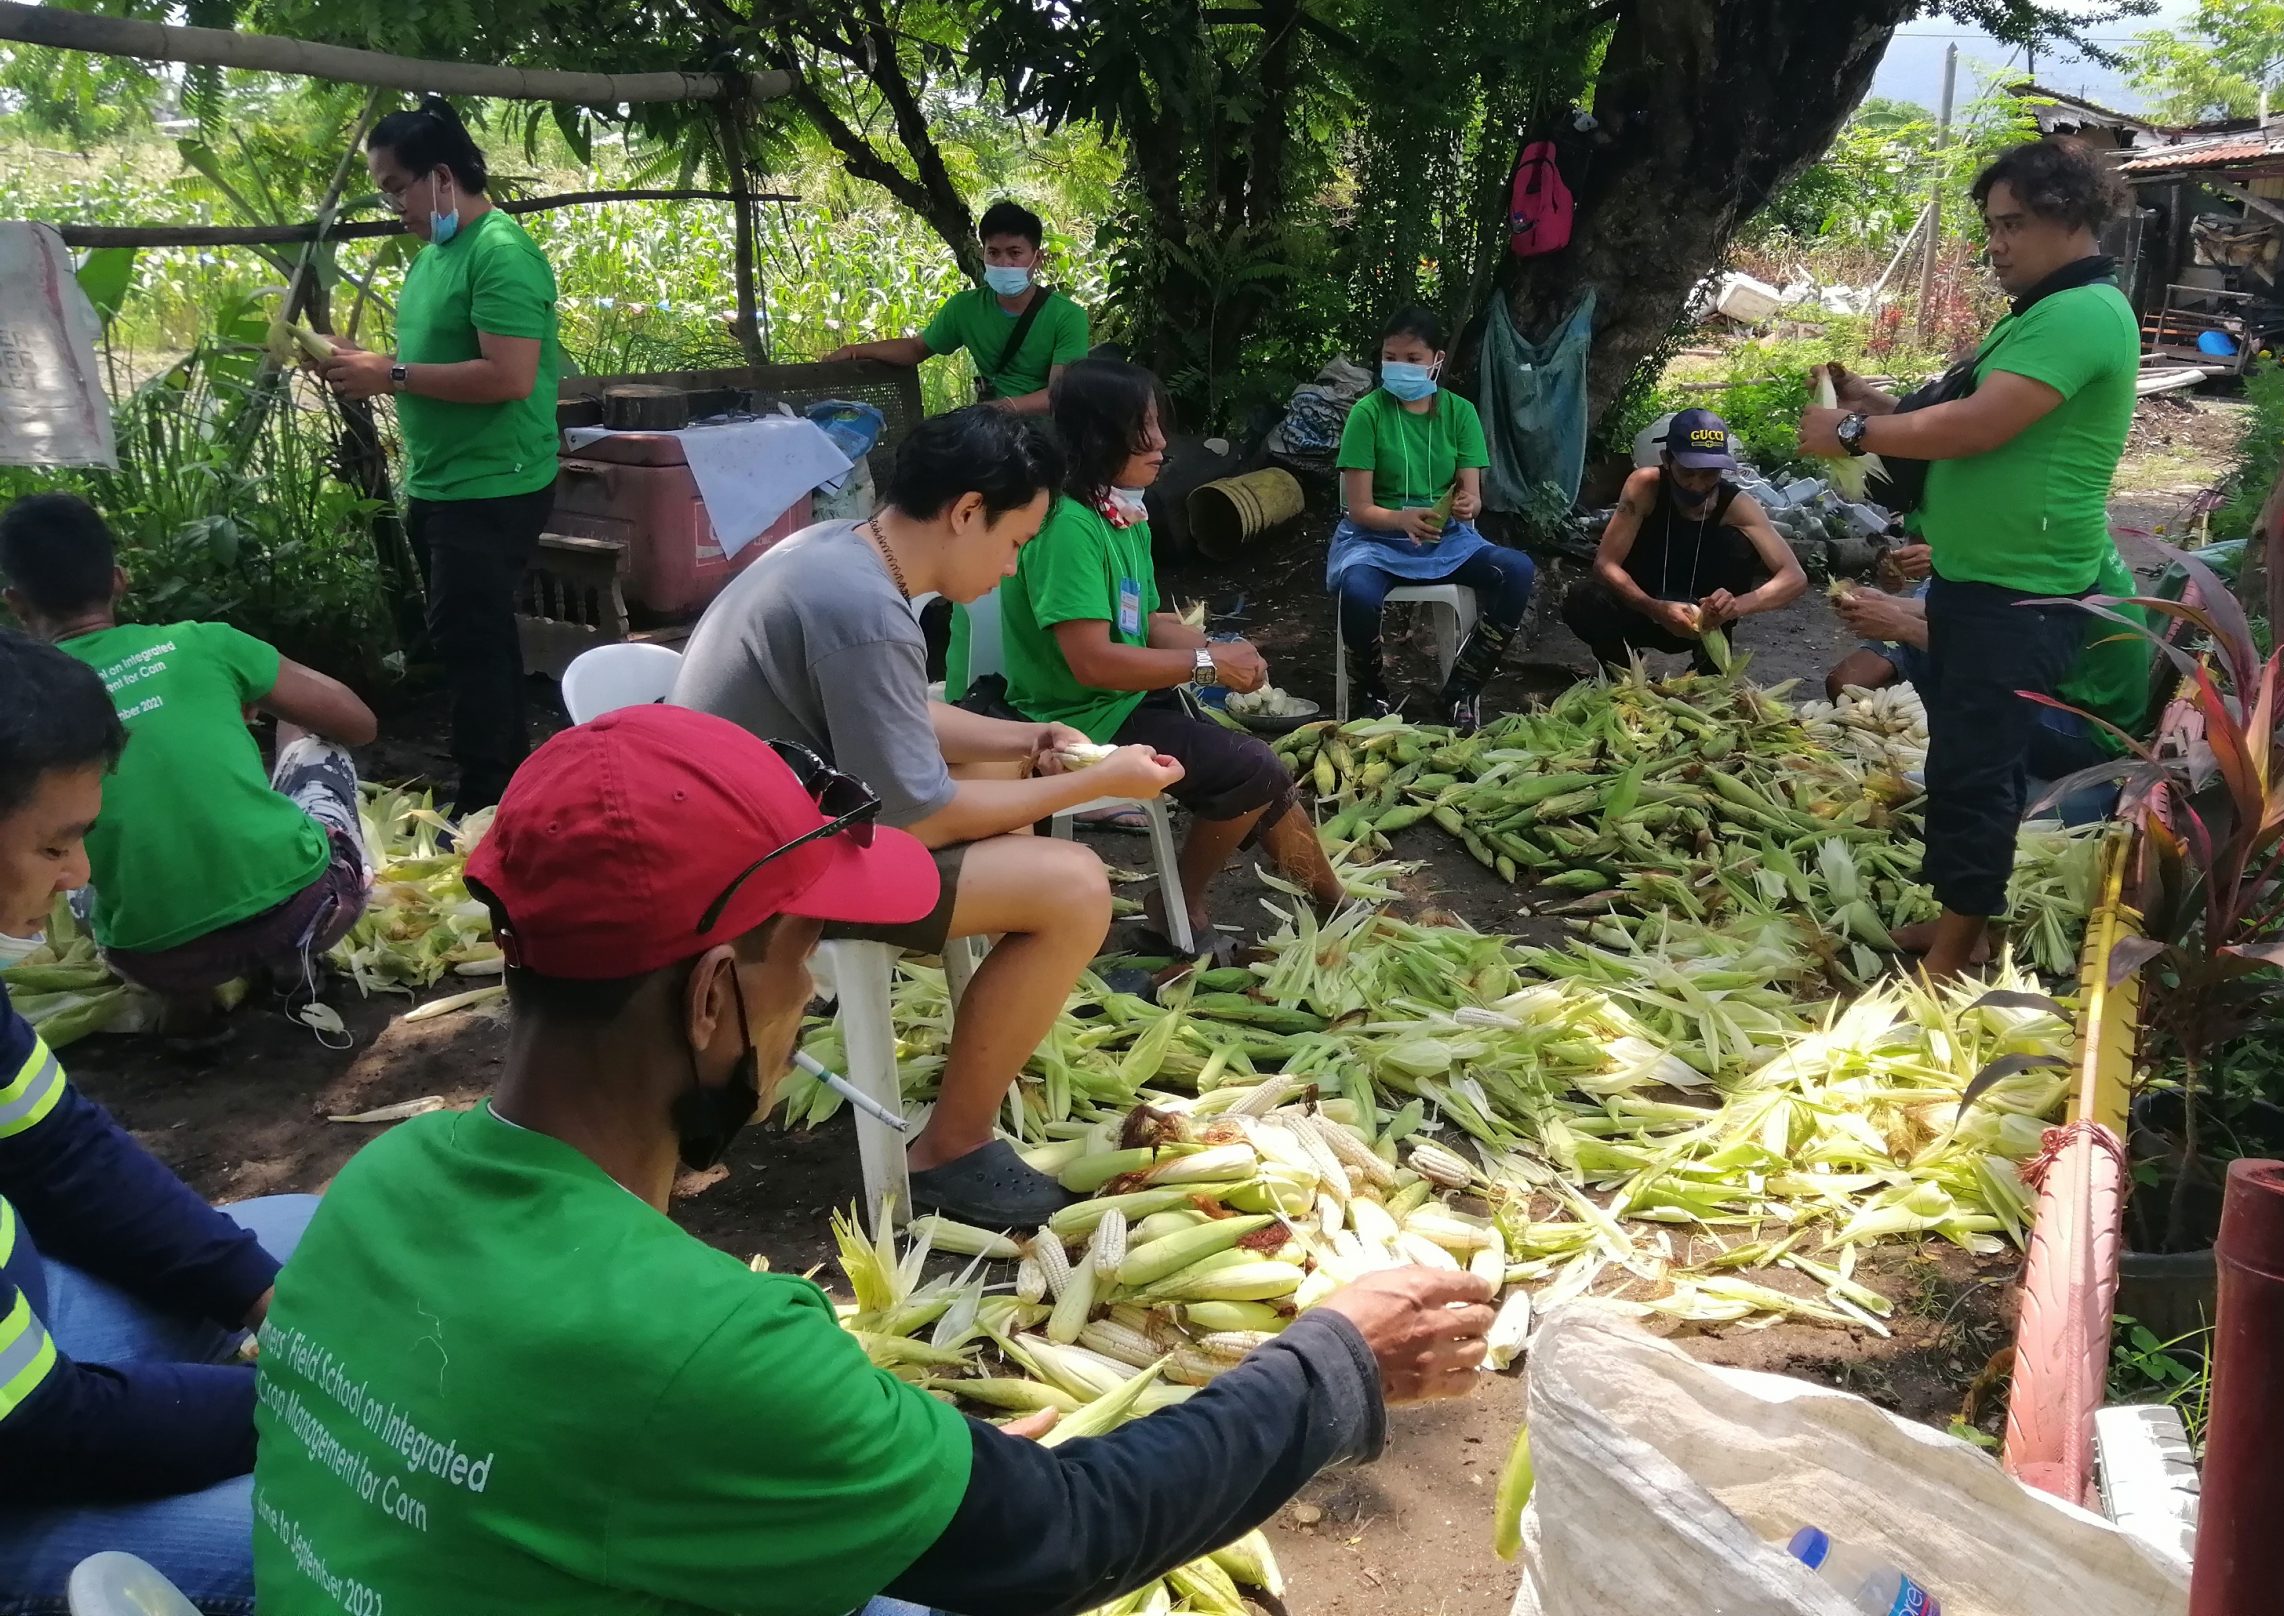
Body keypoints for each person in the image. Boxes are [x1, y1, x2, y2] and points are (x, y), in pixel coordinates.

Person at [249, 705, 1490, 1615]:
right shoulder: (704, 1343)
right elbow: (1063, 1538)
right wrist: (1335, 1361)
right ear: (713, 999)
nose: (810, 1016)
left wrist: (899, 1457)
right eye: (808, 966)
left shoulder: (371, 1194)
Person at [672, 406, 1185, 1226]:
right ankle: (951, 1147)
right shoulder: (866, 611)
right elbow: (915, 818)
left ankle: (994, 1018)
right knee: (1077, 888)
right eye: (1017, 543)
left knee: (995, 761)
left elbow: (898, 715)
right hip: (753, 873)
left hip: (750, 820)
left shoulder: (838, 553)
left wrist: (1032, 737)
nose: (1015, 570)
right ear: (967, 511)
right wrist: (1096, 784)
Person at [0, 630, 317, 1616]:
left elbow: (60, 1152)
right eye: (53, 846)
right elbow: (44, 1432)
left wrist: (258, 1295)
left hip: (34, 1333)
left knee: (311, 1244)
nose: (78, 871)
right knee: (357, 1524)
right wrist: (333, 1398)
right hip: (22, 1451)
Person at [1797, 137, 2138, 979]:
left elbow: (1985, 425)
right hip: (1982, 579)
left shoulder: (2083, 313)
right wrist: (1886, 408)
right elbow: (1967, 413)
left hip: (2020, 591)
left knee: (1979, 770)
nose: (1998, 243)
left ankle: (1956, 953)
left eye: (2014, 224)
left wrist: (1852, 431)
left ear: (2072, 216)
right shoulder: (2040, 315)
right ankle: (1965, 924)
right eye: (1992, 224)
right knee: (1959, 760)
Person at [0, 494, 379, 1035]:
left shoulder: (27, 704)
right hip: (312, 909)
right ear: (118, 580)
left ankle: (188, 1004)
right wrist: (255, 701)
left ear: (16, 603)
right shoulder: (200, 643)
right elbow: (358, 724)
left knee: (69, 866)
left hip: (153, 954)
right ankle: (295, 960)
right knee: (310, 735)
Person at [1003, 358, 1345, 951]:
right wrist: (1208, 666)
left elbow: (1152, 622)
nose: (1162, 444)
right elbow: (1094, 661)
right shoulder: (1068, 528)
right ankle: (1175, 905)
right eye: (1143, 429)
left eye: (1160, 425)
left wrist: (1219, 648)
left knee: (1261, 777)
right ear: (1095, 435)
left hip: (1123, 699)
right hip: (1072, 716)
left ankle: (1336, 904)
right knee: (1252, 766)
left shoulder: (1124, 512)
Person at [315, 97, 561, 816]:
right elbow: (435, 359)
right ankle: (491, 779)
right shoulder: (435, 256)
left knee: (476, 642)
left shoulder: (502, 254)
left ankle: (493, 799)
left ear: (442, 176)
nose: (393, 204)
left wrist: (388, 377)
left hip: (495, 483)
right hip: (443, 479)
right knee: (462, 637)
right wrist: (370, 361)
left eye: (396, 186)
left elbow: (510, 376)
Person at [1330, 306, 1537, 730]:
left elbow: (1472, 498)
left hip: (1448, 539)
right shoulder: (1366, 414)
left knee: (1517, 570)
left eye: (1412, 359)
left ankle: (1460, 691)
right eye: (1391, 357)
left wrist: (1467, 507)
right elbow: (1360, 509)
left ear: (1436, 361)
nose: (1398, 367)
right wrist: (1402, 519)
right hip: (1376, 539)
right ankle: (1373, 698)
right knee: (1357, 591)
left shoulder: (1460, 413)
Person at [1826, 538, 2155, 786]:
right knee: (1926, 642)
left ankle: (1968, 780)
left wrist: (1901, 626)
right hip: (2074, 705)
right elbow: (1973, 618)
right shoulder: (2056, 536)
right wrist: (1890, 603)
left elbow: (1992, 655)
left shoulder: (2046, 557)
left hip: (2090, 736)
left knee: (1930, 655)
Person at [1563, 408, 1807, 669]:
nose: (1697, 484)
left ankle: (1708, 666)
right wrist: (1655, 608)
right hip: (1643, 608)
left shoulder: (1736, 504)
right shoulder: (1645, 486)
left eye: (1709, 473)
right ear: (1667, 460)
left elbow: (1794, 577)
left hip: (1703, 621)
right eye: (1688, 472)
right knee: (1582, 599)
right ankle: (1625, 672)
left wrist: (1734, 606)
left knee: (1738, 542)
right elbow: (1605, 564)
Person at [829, 200, 1091, 414]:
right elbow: (916, 348)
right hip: (992, 429)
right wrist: (854, 350)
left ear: (1037, 258)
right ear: (983, 254)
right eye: (993, 253)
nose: (1003, 263)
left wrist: (1000, 408)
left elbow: (1059, 396)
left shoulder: (1067, 316)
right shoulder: (965, 308)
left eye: (1014, 253)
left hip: (1045, 437)